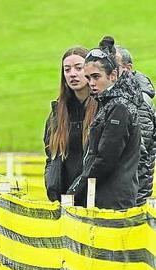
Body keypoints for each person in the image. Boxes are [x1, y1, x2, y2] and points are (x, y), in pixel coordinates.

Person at [67, 36, 142, 209]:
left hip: (113, 202)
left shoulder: (120, 107)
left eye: (96, 77)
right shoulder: (109, 104)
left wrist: (76, 190)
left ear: (113, 75)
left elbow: (105, 159)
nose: (91, 83)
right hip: (104, 197)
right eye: (88, 78)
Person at [43, 47, 97, 204]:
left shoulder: (103, 109)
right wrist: (51, 185)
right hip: (63, 200)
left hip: (94, 200)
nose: (72, 74)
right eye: (67, 69)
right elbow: (50, 156)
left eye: (78, 68)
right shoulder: (57, 112)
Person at [116, 45, 156, 205]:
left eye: (114, 66)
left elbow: (138, 158)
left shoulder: (139, 102)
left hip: (130, 200)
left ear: (127, 69)